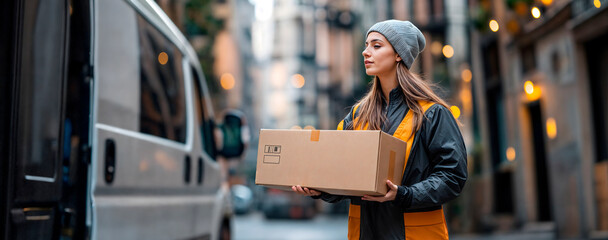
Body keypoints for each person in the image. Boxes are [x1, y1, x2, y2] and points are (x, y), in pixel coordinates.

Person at [292, 20, 468, 240]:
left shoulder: (432, 114)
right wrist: (322, 189)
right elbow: (343, 175)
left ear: (398, 54)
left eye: (376, 45)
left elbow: (452, 177)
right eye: (366, 45)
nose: (366, 52)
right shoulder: (356, 117)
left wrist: (404, 194)